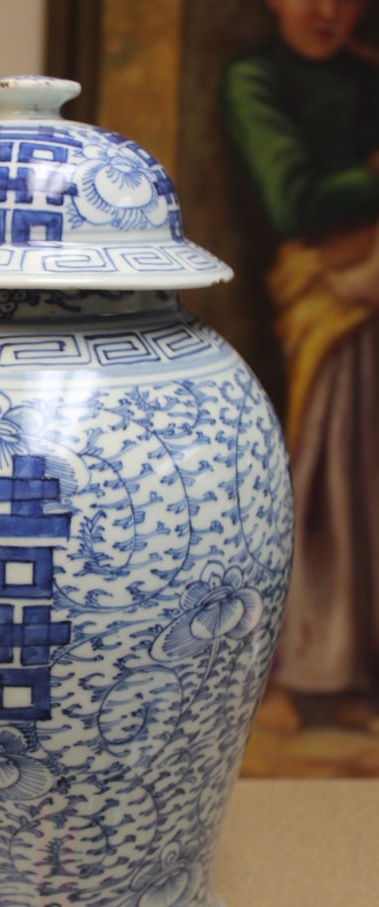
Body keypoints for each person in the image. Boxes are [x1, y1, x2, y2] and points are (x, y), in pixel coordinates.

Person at [220, 0, 379, 732]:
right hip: (329, 295)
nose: (327, 11)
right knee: (333, 482)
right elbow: (297, 202)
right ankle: (321, 673)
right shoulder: (257, 80)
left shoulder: (367, 76)